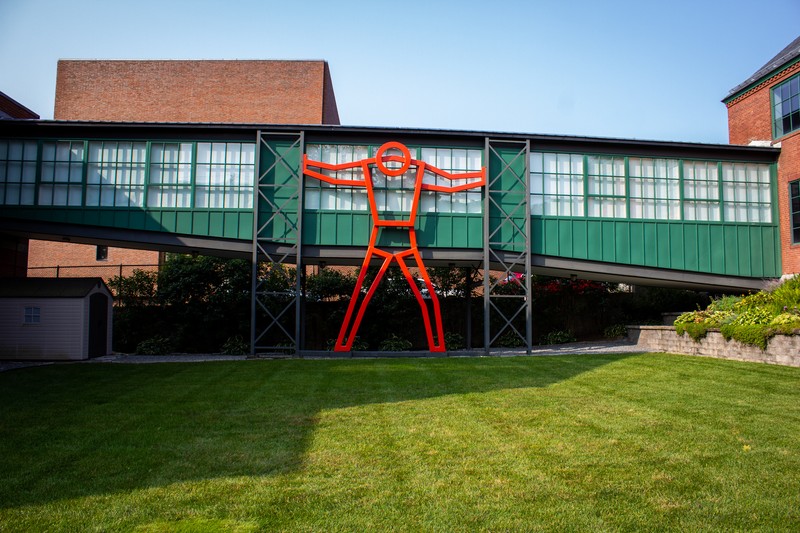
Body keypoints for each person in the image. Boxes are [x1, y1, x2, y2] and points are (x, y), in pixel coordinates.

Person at [303, 141, 485, 352]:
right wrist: (308, 165)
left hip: (405, 240)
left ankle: (436, 347)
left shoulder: (408, 170)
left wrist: (480, 177)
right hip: (380, 238)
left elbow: (451, 182)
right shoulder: (373, 168)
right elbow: (334, 174)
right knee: (365, 299)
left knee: (422, 300)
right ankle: (344, 346)